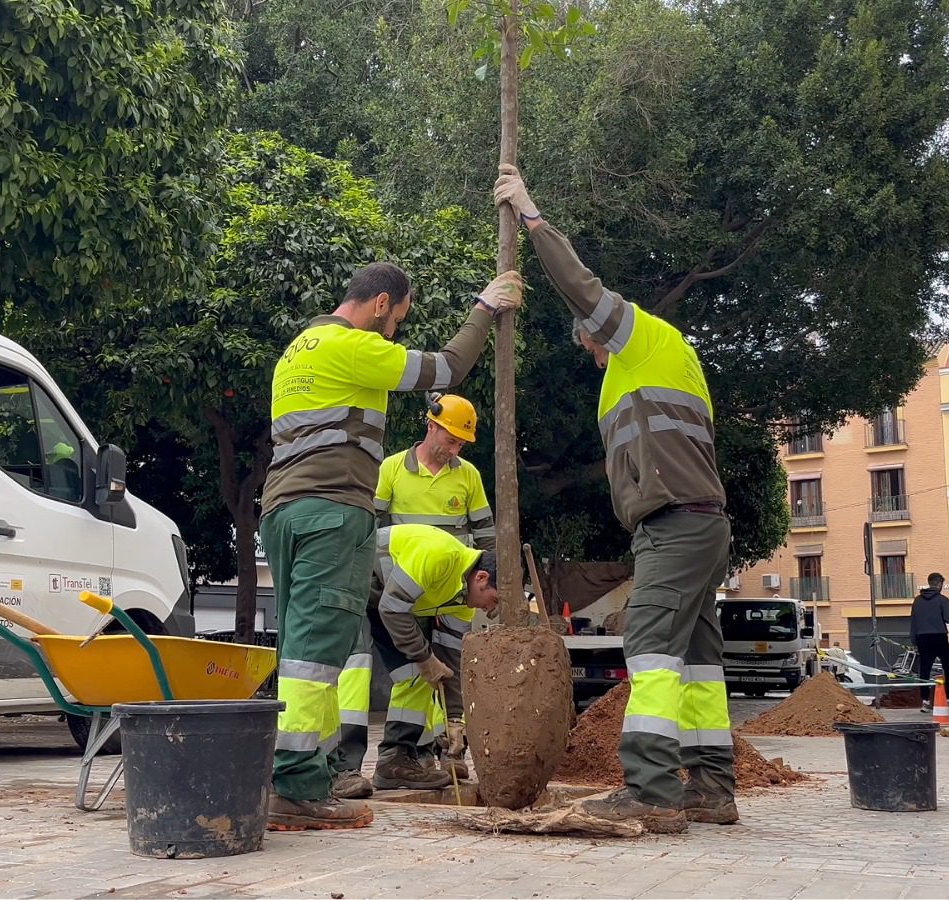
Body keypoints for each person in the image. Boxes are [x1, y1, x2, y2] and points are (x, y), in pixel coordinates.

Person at [496, 165, 733, 833]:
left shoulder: (646, 341)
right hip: (697, 525)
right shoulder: (665, 367)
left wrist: (532, 216)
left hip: (677, 526)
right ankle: (713, 789)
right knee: (697, 662)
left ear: (599, 339)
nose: (595, 358)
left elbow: (581, 289)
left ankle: (653, 790)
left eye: (593, 348)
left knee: (652, 645)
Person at [261, 261, 522, 831]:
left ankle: (310, 774)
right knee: (315, 656)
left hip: (283, 509)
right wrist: (485, 308)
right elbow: (447, 368)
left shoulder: (297, 349)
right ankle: (298, 785)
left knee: (305, 649)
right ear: (381, 303)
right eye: (399, 318)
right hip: (332, 512)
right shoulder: (351, 345)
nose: (396, 331)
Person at [332, 393, 496, 799]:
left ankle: (410, 756)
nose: (455, 450)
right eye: (452, 440)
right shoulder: (391, 469)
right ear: (432, 427)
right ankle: (342, 768)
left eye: (461, 444)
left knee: (422, 674)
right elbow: (369, 528)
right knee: (362, 668)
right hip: (384, 585)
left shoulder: (468, 477)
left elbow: (487, 537)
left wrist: (456, 718)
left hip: (441, 590)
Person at [364, 525, 499, 793]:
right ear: (481, 578)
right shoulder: (439, 554)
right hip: (356, 582)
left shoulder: (462, 602)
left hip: (386, 602)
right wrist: (426, 658)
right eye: (493, 600)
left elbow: (450, 663)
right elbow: (392, 607)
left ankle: (395, 762)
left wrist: (455, 722)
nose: (490, 610)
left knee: (415, 675)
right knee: (351, 670)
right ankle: (338, 767)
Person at [909, 573, 949, 712]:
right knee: (948, 666)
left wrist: (914, 640)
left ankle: (925, 701)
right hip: (939, 636)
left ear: (929, 582)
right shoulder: (942, 599)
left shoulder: (917, 600)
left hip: (922, 638)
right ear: (939, 584)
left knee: (924, 669)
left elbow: (913, 621)